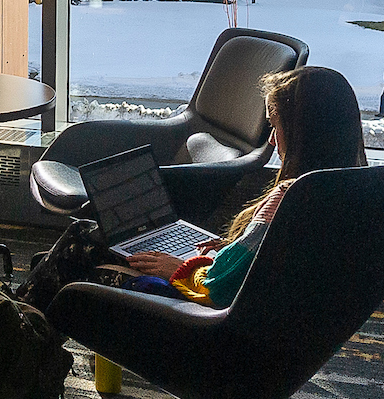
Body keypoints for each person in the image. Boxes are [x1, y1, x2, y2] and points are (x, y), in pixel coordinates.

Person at [116, 65, 368, 309]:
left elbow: (219, 288)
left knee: (132, 283)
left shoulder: (290, 197)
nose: (271, 139)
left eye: (274, 126)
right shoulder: (356, 189)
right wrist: (229, 251)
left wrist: (181, 266)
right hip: (298, 329)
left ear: (301, 133)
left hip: (228, 331)